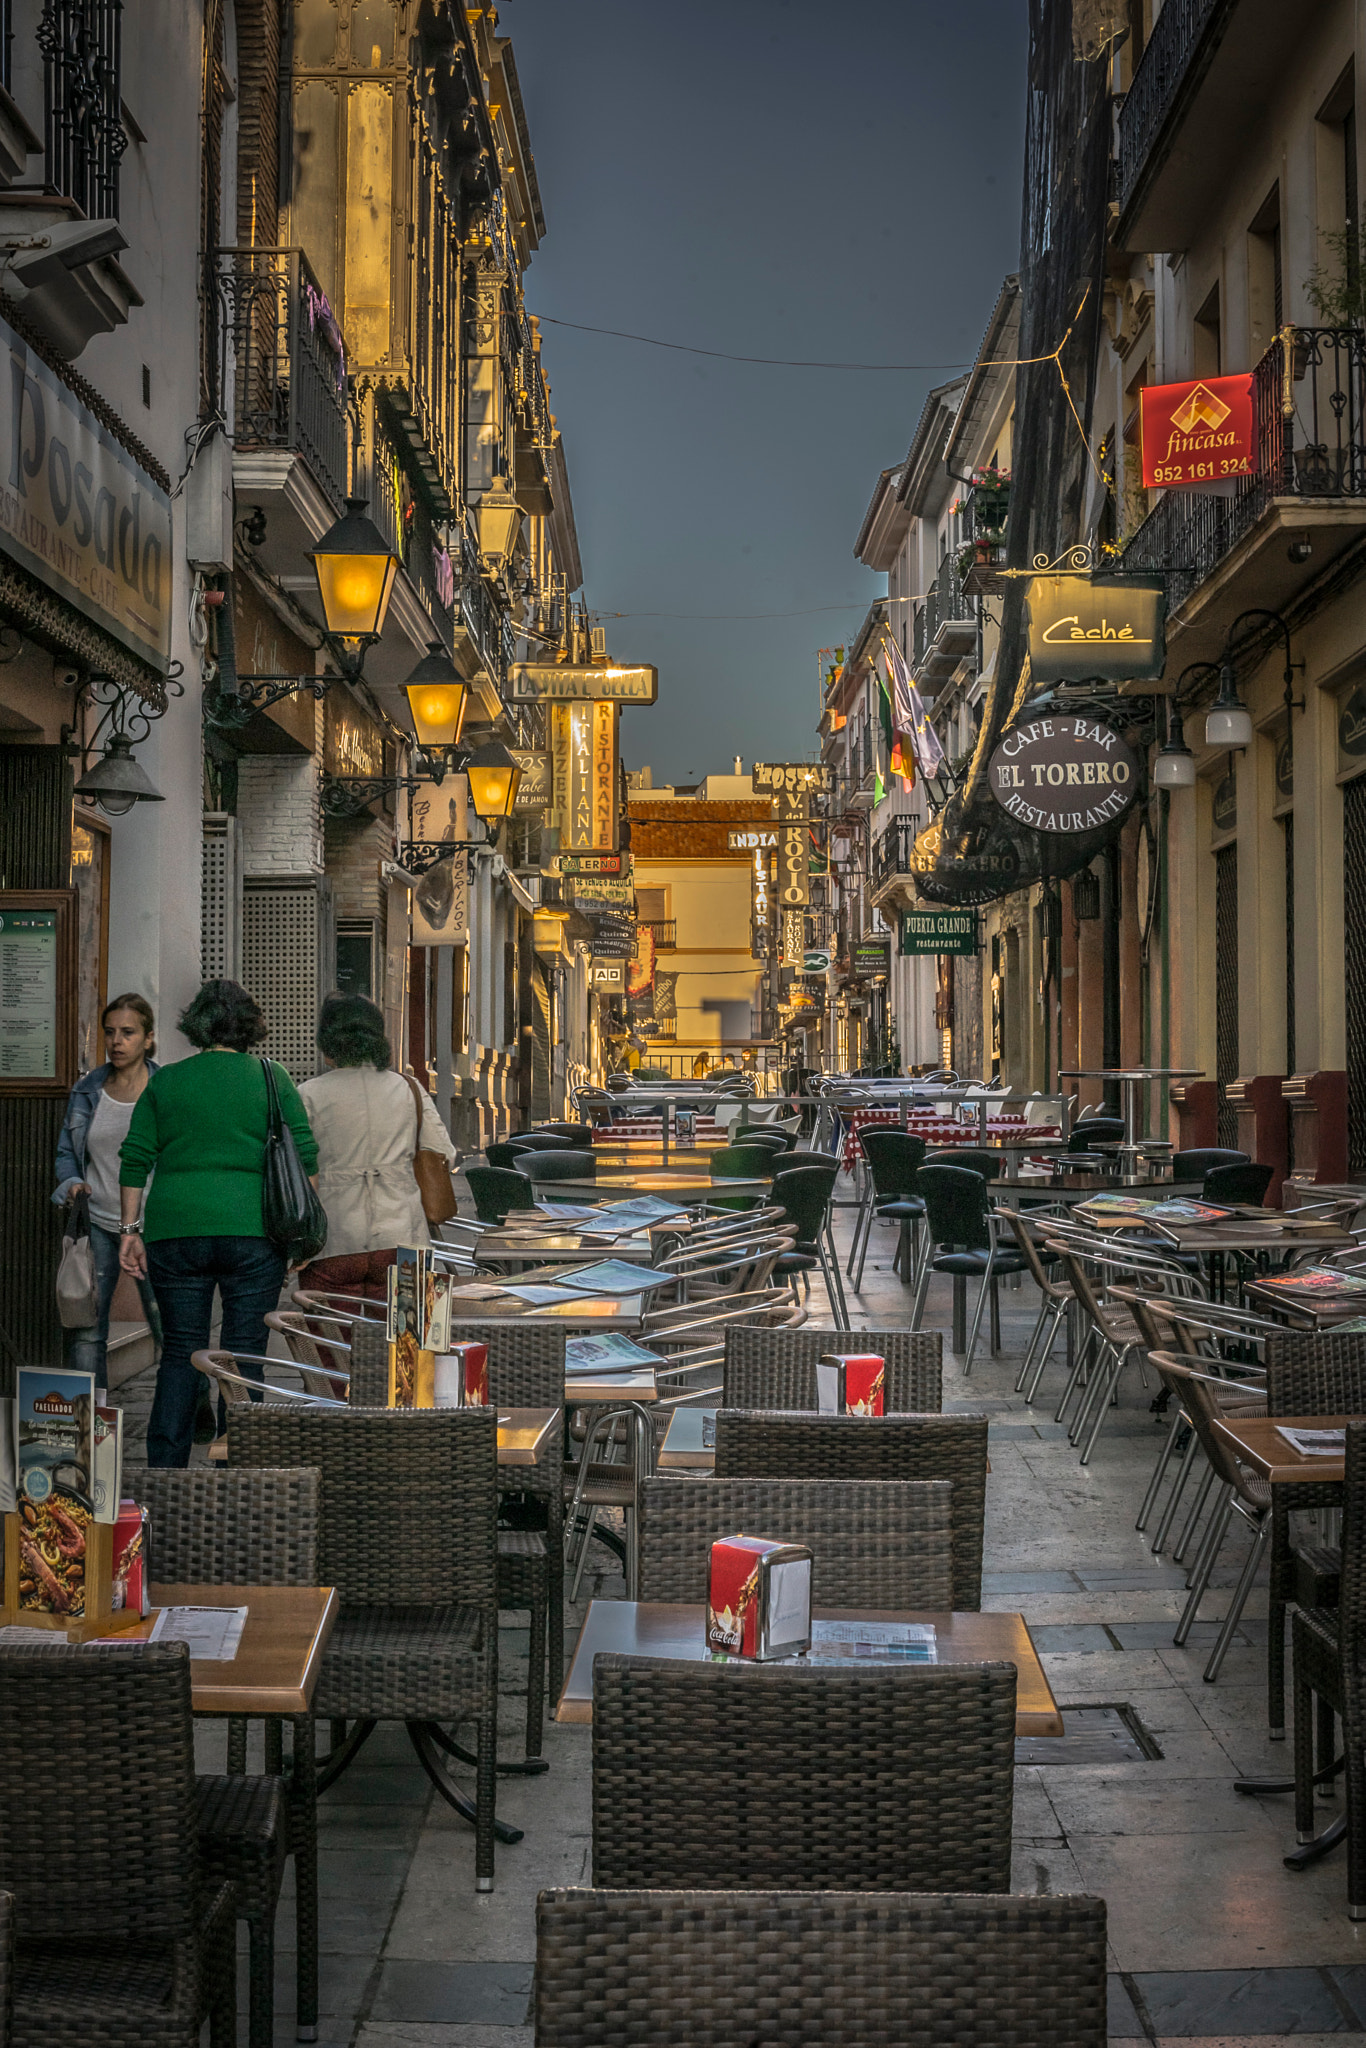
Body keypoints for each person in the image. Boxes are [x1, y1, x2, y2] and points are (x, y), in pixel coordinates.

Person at [118, 978, 319, 1466]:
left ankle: (165, 1472)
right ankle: (240, 1465)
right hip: (254, 1234)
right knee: (245, 1353)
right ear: (250, 1027)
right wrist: (299, 1238)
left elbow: (135, 1157)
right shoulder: (272, 1077)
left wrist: (130, 1230)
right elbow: (307, 1161)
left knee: (181, 1352)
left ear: (197, 1026)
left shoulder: (166, 1080)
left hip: (175, 1232)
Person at [296, 992, 458, 1303]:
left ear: (326, 1041)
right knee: (411, 1345)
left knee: (333, 1345)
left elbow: (298, 1169)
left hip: (333, 1240)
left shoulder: (307, 1094)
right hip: (405, 1238)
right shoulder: (409, 1088)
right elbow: (443, 1154)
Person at [53, 993, 163, 1379]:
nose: (116, 1041)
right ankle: (88, 1430)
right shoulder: (88, 1090)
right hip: (97, 1222)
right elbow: (67, 1151)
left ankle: (191, 1411)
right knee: (86, 1333)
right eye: (110, 1032)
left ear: (149, 1038)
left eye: (128, 1033)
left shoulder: (166, 1089)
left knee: (170, 1327)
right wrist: (71, 1182)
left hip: (156, 1226)